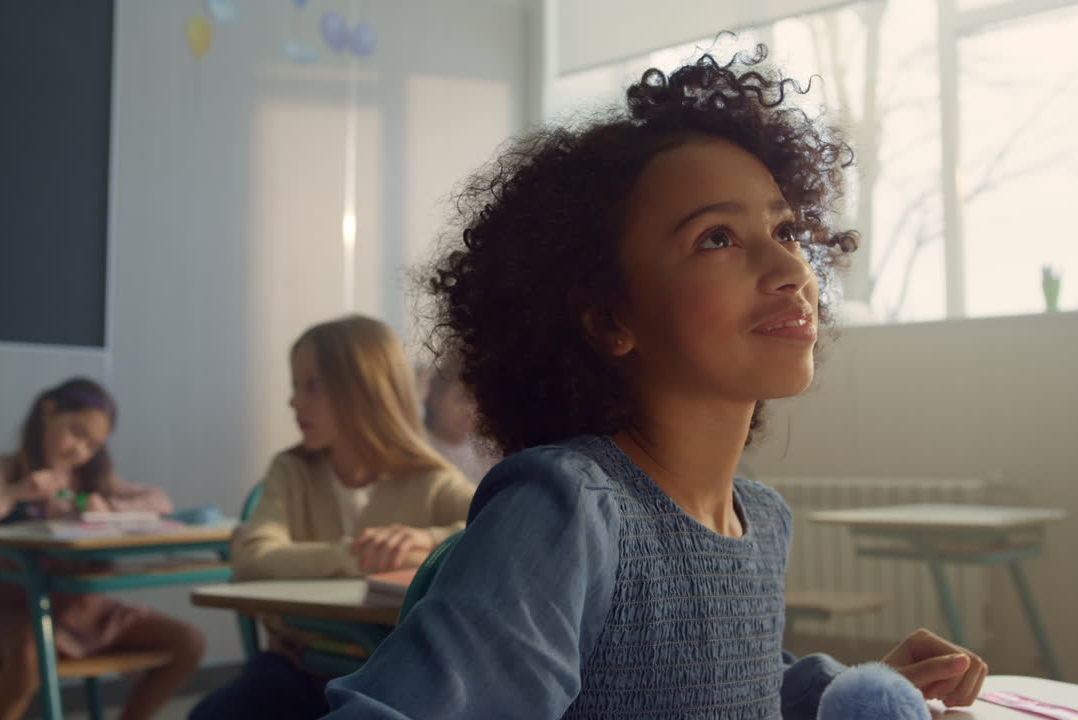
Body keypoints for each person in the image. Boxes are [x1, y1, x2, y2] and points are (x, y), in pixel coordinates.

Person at [323, 47, 988, 719]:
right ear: (610, 317)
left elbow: (722, 691)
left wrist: (855, 689)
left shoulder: (761, 521)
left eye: (785, 229)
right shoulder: (569, 509)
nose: (790, 268)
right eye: (718, 238)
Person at [189, 314, 476, 720]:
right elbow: (252, 557)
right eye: (295, 387)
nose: (293, 401)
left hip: (397, 676)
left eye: (313, 386)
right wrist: (356, 555)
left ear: (365, 392)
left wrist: (427, 545)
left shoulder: (431, 480)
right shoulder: (291, 472)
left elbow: (493, 530)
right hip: (298, 667)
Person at [0, 377, 206, 720]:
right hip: (20, 611)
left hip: (89, 612)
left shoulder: (88, 480)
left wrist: (107, 508)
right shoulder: (2, 470)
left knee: (188, 642)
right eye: (76, 432)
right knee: (28, 656)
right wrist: (14, 492)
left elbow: (160, 500)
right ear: (48, 411)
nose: (79, 451)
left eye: (92, 445)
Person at [423, 357, 496, 485]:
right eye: (461, 399)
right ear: (436, 398)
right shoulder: (418, 450)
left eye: (477, 401)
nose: (470, 410)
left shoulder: (486, 456)